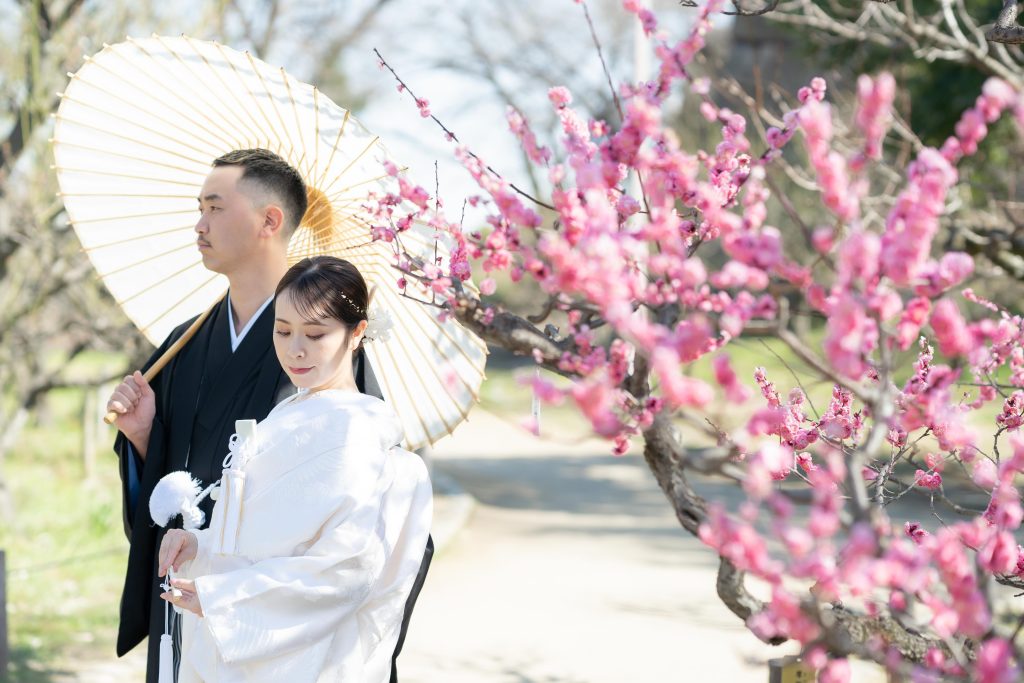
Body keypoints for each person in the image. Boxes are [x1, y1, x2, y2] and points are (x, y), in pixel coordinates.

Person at [105, 150, 390, 682]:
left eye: (214, 207)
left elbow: (348, 507)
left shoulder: (324, 352)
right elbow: (171, 484)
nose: (200, 225)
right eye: (199, 208)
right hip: (184, 581)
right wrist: (144, 436)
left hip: (266, 609)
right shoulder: (183, 341)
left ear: (269, 220)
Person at [157, 256, 433, 682]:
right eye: (283, 330)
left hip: (303, 654)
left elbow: (346, 567)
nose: (294, 349)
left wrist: (226, 598)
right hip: (238, 634)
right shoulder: (287, 412)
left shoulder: (356, 432)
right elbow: (254, 535)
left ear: (357, 333)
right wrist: (200, 547)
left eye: (316, 334)